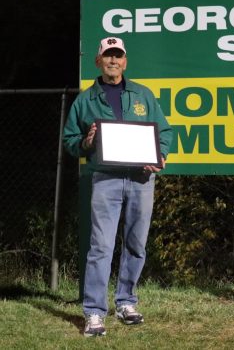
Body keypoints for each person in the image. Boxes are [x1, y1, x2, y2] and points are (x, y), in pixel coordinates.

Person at [63, 36, 173, 337]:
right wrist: (85, 143)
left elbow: (164, 132)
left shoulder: (143, 95)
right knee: (101, 246)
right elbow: (70, 140)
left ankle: (126, 302)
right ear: (98, 61)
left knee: (136, 244)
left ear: (125, 61)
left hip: (141, 179)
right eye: (107, 56)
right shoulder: (85, 99)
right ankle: (95, 312)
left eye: (118, 56)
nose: (113, 61)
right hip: (106, 179)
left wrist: (160, 156)